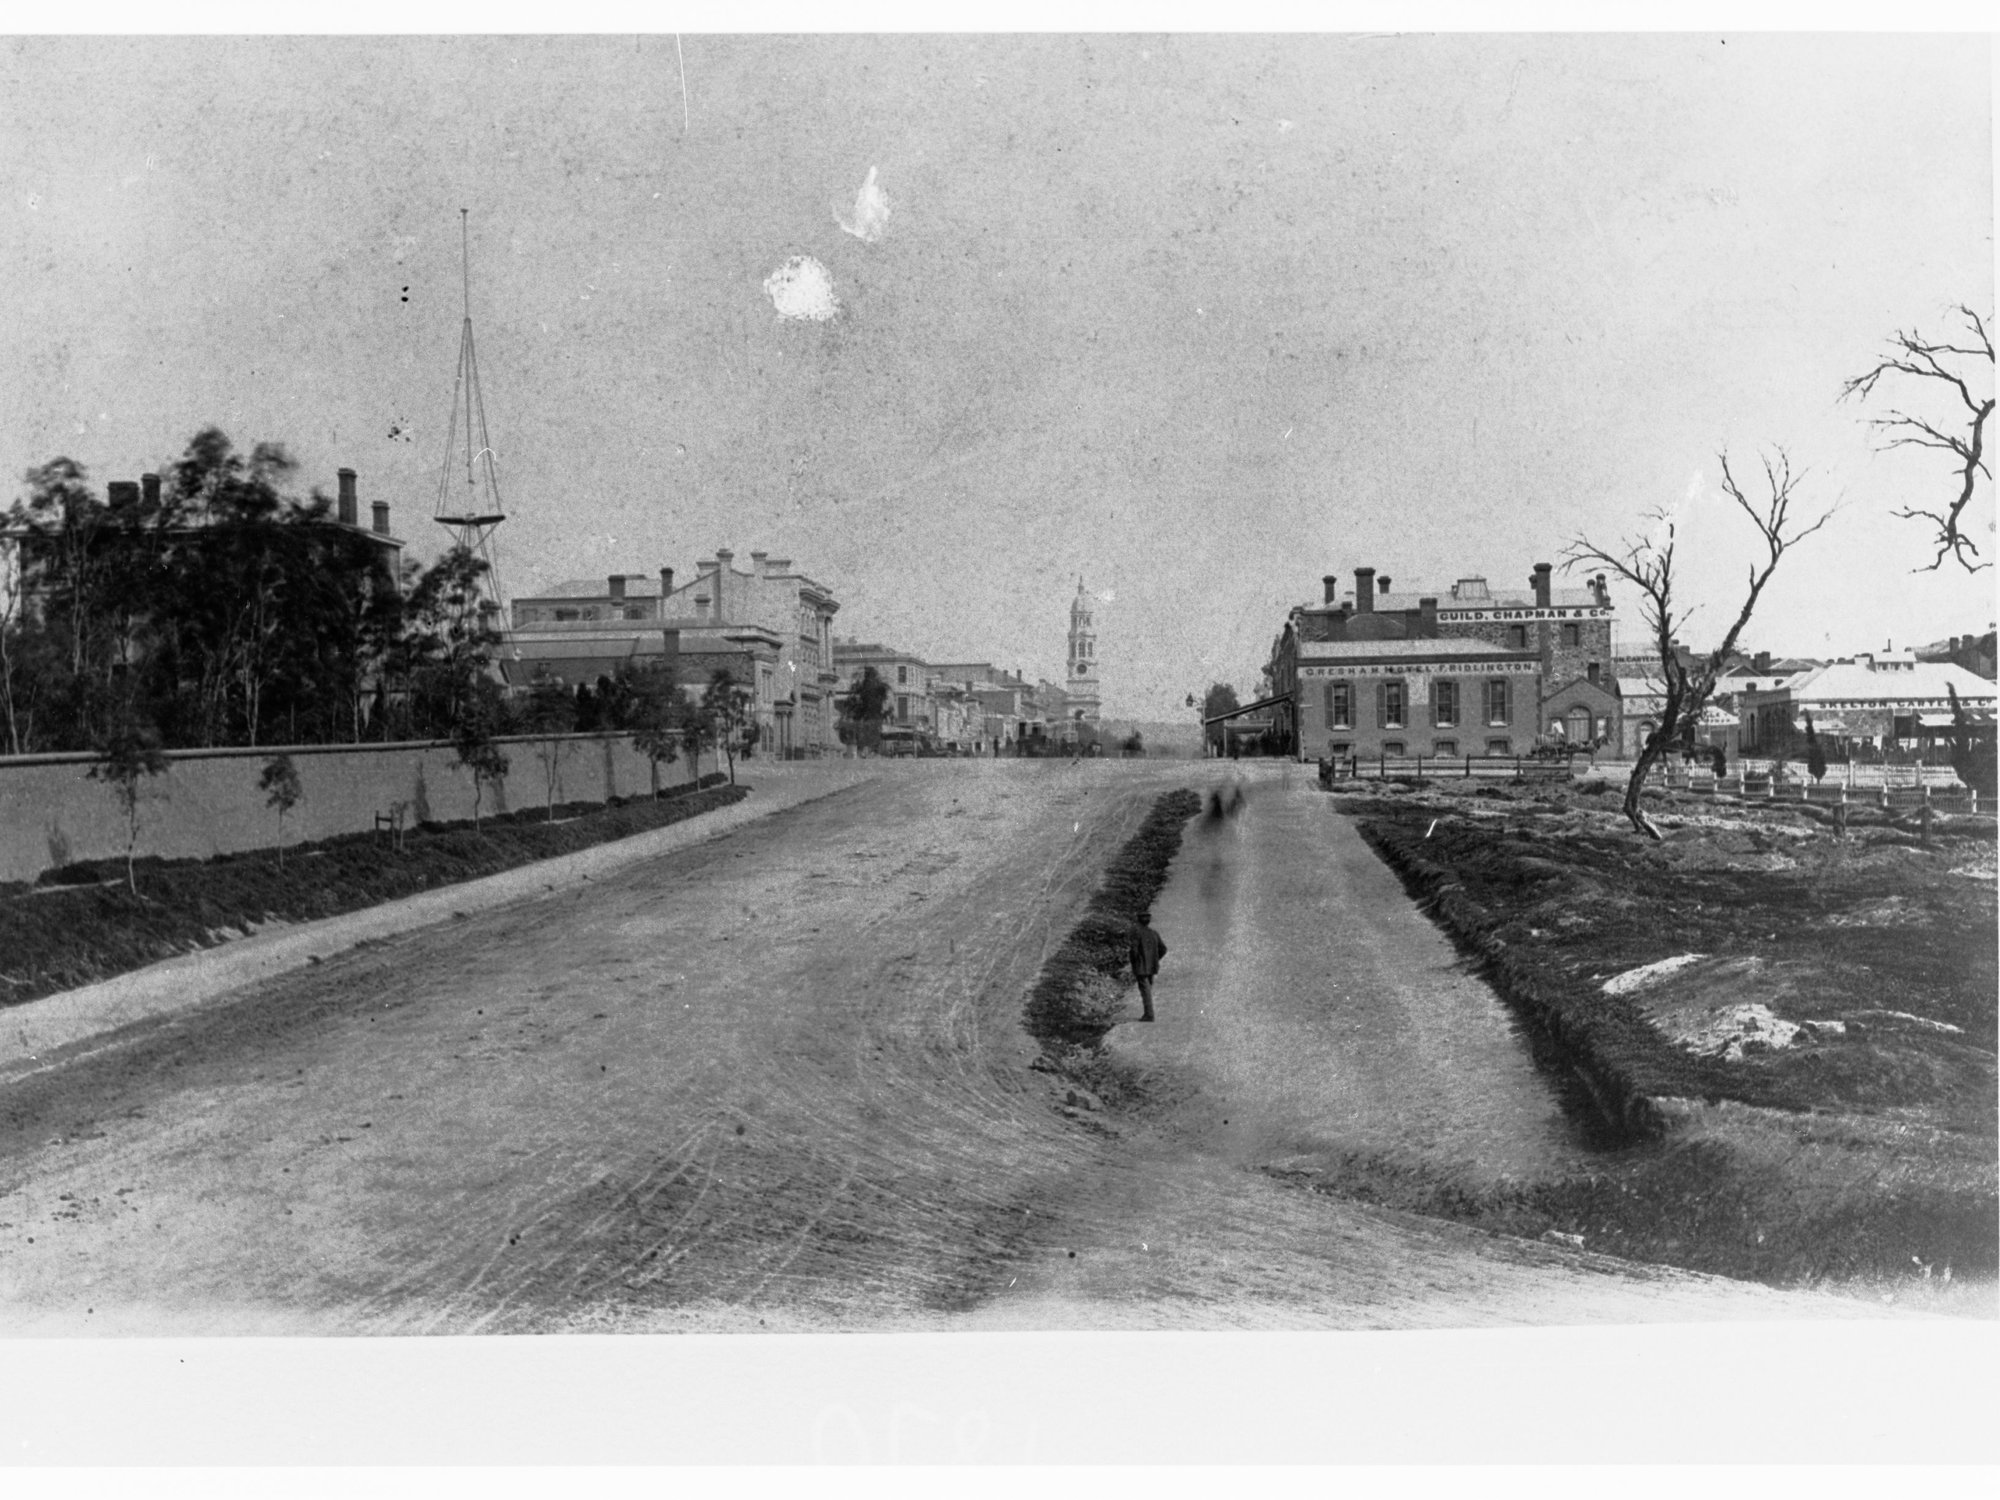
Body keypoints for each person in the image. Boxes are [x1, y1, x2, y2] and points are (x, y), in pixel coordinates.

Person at [1128, 910, 1168, 1022]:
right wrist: (1154, 959)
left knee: (1145, 991)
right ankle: (1148, 1013)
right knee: (1148, 989)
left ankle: (1149, 1015)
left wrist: (1134, 963)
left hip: (1141, 967)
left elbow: (1134, 951)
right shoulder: (1154, 933)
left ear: (1138, 919)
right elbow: (1163, 949)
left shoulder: (1136, 933)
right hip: (1152, 966)